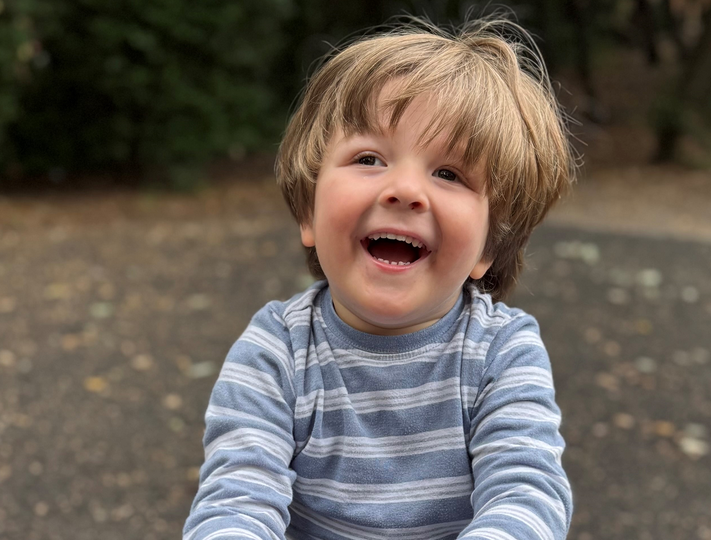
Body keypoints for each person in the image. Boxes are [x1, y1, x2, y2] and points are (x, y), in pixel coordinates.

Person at [184, 16, 576, 540]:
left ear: (489, 246)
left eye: (449, 174)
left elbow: (527, 494)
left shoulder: (501, 353)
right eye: (368, 158)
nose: (405, 189)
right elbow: (236, 499)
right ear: (308, 211)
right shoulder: (276, 350)